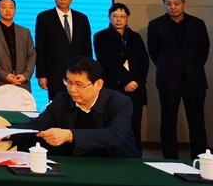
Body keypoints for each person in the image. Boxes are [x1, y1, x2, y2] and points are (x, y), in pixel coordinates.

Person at [12, 56, 140, 158]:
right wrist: (7, 132)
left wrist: (70, 135)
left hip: (118, 162)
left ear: (98, 84)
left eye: (79, 84)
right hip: (78, 163)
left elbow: (115, 135)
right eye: (69, 82)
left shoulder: (120, 102)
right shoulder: (62, 100)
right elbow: (37, 125)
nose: (72, 89)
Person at [147, 0, 210, 159]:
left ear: (184, 4)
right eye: (168, 4)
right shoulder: (155, 25)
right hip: (167, 79)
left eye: (176, 3)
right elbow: (153, 52)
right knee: (168, 121)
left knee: (197, 121)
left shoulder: (198, 23)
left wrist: (192, 67)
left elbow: (204, 50)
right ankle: (170, 159)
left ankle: (199, 159)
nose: (172, 7)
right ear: (164, 4)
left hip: (194, 78)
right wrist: (169, 67)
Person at [93, 3, 149, 149]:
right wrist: (124, 82)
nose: (119, 19)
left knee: (135, 125)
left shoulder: (135, 37)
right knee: (114, 124)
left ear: (127, 18)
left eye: (122, 16)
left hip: (136, 89)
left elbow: (144, 61)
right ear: (109, 17)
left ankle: (136, 155)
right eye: (115, 16)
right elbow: (105, 63)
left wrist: (136, 81)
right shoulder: (100, 37)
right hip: (114, 88)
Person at [35, 0, 93, 100]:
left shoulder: (82, 18)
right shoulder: (44, 17)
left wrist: (89, 71)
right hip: (54, 73)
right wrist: (41, 75)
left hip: (79, 72)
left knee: (79, 104)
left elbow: (87, 47)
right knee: (57, 104)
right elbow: (40, 47)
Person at [0, 0, 36, 91]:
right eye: (4, 7)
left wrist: (26, 75)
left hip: (22, 82)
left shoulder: (25, 32)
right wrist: (5, 76)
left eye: (11, 7)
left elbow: (32, 54)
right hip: (0, 82)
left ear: (15, 10)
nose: (8, 10)